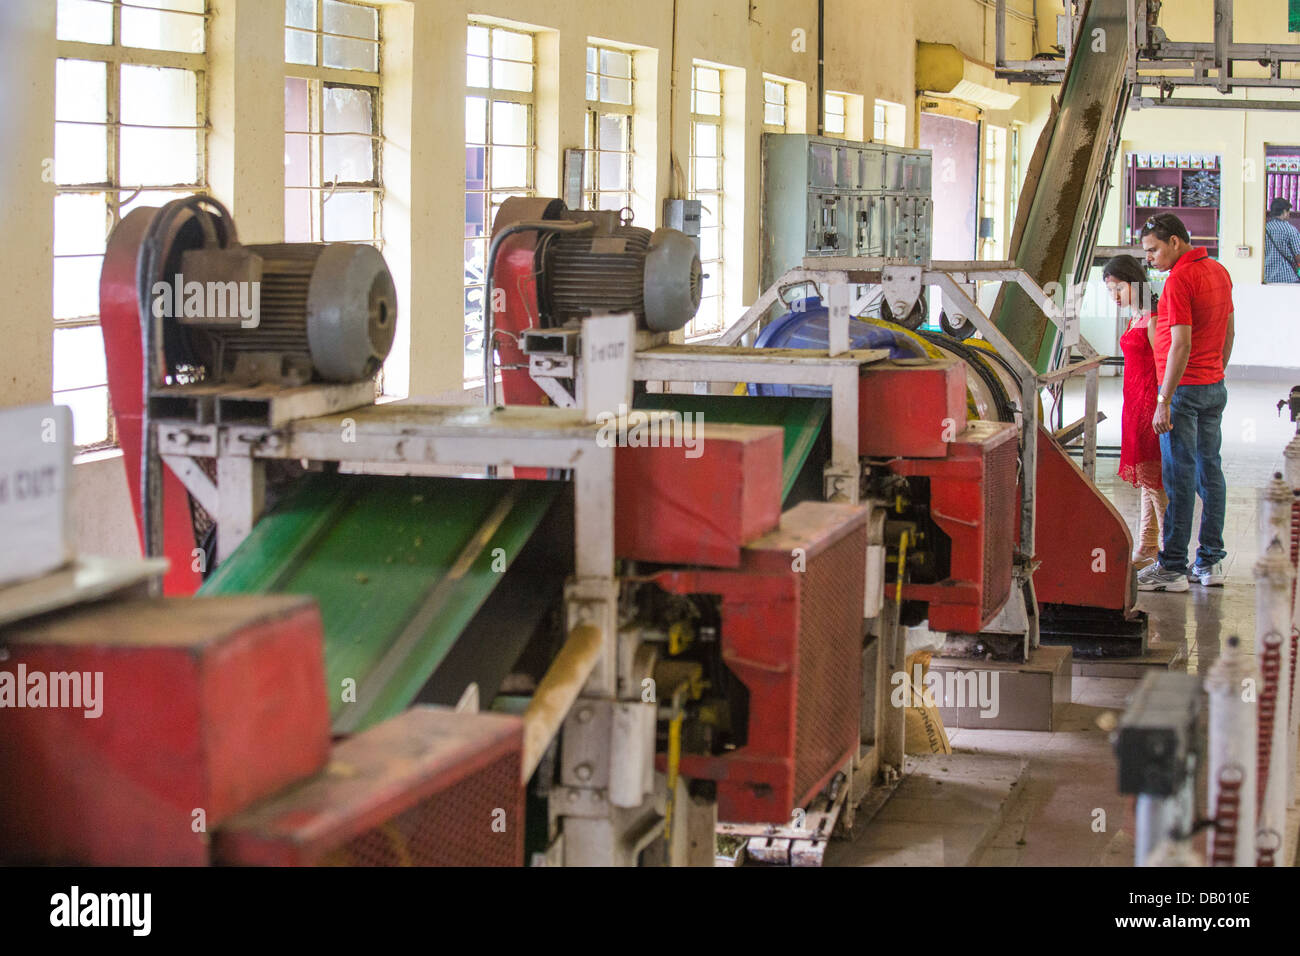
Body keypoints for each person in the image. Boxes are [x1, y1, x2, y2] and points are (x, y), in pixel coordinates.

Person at [1135, 212, 1234, 593]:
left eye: (1153, 250)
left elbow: (1181, 343)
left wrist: (1165, 399)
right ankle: (1209, 561)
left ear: (1175, 242)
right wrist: (1216, 371)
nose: (1149, 258)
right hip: (1212, 386)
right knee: (1211, 473)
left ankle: (1173, 566)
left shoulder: (1179, 279)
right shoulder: (1219, 271)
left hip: (1183, 392)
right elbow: (1229, 330)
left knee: (1179, 477)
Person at [1103, 255, 1166, 570]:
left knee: (1155, 482)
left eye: (1119, 288)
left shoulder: (1153, 318)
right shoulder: (1135, 317)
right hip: (1134, 405)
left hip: (1150, 407)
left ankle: (1170, 552)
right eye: (1110, 291)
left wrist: (1163, 405)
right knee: (1147, 477)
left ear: (1135, 283)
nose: (1115, 296)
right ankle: (1148, 545)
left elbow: (1163, 366)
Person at [1263, 196, 1300, 284]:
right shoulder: (1290, 230)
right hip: (1287, 278)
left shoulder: (1264, 229)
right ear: (1284, 212)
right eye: (1288, 211)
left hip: (1266, 277)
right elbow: (1298, 255)